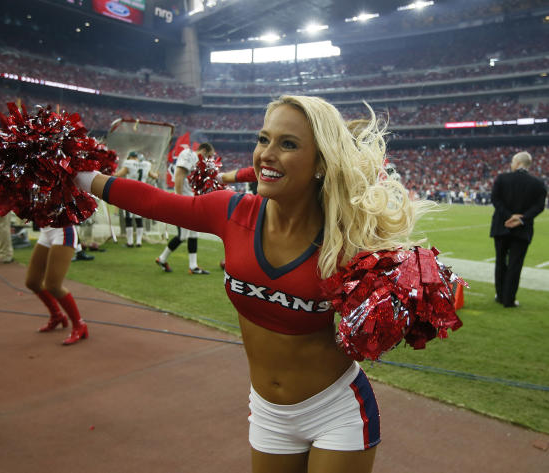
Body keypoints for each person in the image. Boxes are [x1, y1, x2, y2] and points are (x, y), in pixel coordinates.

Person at [75, 95, 431, 472]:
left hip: (335, 410)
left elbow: (405, 303)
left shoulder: (348, 243)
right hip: (268, 413)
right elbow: (155, 202)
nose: (267, 154)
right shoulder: (231, 212)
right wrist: (74, 173)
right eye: (264, 140)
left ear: (320, 164)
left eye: (288, 144)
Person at [490, 151, 546, 308]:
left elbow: (495, 199)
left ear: (518, 162)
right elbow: (539, 206)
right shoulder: (538, 183)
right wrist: (521, 219)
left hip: (502, 226)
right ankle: (509, 300)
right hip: (523, 229)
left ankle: (500, 296)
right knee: (515, 265)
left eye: (513, 161)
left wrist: (509, 215)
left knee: (500, 262)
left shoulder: (502, 178)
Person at [155, 142, 214, 274]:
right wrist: (179, 199)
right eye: (208, 156)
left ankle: (191, 266)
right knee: (183, 235)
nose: (208, 159)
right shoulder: (189, 154)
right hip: (184, 202)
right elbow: (179, 175)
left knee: (192, 233)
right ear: (203, 150)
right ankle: (163, 259)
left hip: (190, 202)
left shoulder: (195, 161)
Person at [25, 225, 89, 345]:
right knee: (32, 282)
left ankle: (79, 325)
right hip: (46, 231)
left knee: (53, 285)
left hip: (63, 231)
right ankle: (57, 316)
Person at [114, 151, 159, 247]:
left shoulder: (129, 164)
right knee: (139, 218)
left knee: (129, 218)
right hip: (142, 193)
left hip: (130, 192)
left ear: (130, 157)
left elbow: (118, 174)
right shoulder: (146, 164)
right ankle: (139, 241)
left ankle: (130, 242)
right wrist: (157, 174)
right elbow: (154, 176)